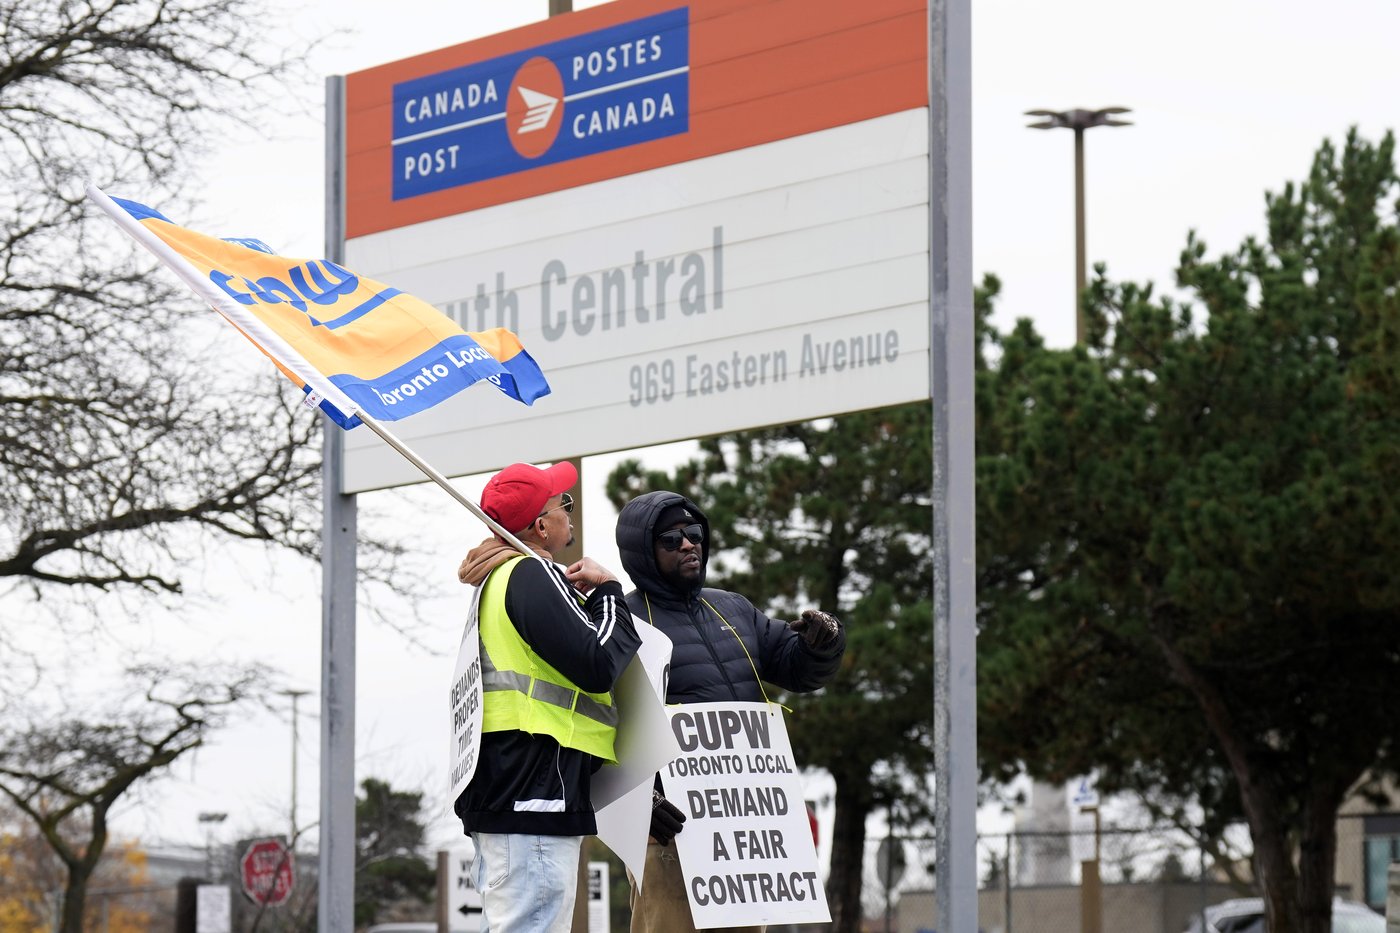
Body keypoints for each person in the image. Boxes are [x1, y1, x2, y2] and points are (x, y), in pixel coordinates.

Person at [615, 490, 846, 933]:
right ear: (642, 552)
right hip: (670, 833)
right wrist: (638, 800)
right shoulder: (624, 620)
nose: (688, 544)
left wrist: (824, 643)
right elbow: (598, 720)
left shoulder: (733, 609)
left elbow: (797, 668)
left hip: (742, 835)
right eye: (671, 540)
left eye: (694, 533)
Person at [454, 461, 642, 933]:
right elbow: (599, 663)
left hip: (513, 789)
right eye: (564, 505)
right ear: (541, 526)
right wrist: (610, 591)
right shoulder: (531, 573)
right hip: (535, 790)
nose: (569, 514)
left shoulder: (498, 580)